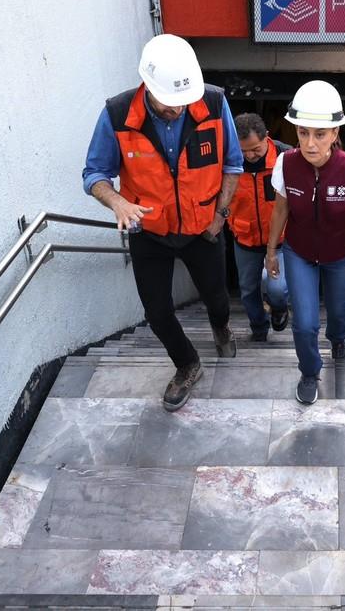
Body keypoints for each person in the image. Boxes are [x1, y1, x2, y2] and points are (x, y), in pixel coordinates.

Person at [82, 34, 243, 412]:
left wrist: (220, 216)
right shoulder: (118, 115)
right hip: (149, 231)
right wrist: (118, 202)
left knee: (217, 297)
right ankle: (187, 364)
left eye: (183, 103)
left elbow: (232, 164)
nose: (177, 111)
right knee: (156, 312)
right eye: (169, 104)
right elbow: (94, 173)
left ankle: (221, 327)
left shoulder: (214, 104)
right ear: (147, 88)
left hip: (204, 228)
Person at [266, 80, 345, 405]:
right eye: (303, 133)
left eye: (319, 134)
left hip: (341, 255)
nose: (310, 143)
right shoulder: (286, 164)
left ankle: (339, 338)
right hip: (299, 252)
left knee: (339, 309)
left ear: (335, 133)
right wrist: (272, 251)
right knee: (304, 323)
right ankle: (309, 371)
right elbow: (280, 209)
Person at [230, 112, 291, 342]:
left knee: (277, 288)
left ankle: (279, 308)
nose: (249, 155)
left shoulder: (285, 157)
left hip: (281, 239)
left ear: (267, 137)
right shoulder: (229, 160)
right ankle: (258, 327)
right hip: (245, 238)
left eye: (255, 149)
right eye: (243, 150)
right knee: (248, 291)